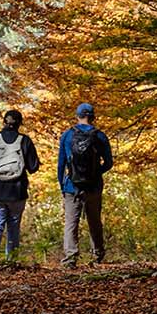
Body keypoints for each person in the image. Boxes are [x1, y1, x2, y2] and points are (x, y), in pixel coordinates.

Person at [0, 108, 40, 266]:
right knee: (13, 224)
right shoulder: (24, 140)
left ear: (4, 122)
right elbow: (33, 167)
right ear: (20, 124)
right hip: (17, 191)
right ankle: (11, 260)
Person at [57, 102, 113, 266]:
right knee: (94, 221)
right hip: (94, 186)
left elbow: (61, 164)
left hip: (72, 186)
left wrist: (63, 183)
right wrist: (96, 172)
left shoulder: (67, 135)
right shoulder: (100, 136)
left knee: (71, 223)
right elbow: (109, 162)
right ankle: (97, 254)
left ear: (78, 116)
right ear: (93, 116)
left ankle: (70, 257)